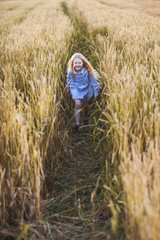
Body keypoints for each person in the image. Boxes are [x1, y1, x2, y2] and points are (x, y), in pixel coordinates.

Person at [66, 52, 99, 131]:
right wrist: (68, 89)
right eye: (76, 63)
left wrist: (96, 92)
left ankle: (85, 118)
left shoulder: (87, 71)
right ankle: (77, 124)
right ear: (73, 64)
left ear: (83, 63)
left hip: (86, 88)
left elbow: (93, 82)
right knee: (77, 104)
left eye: (79, 63)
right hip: (75, 88)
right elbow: (68, 80)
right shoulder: (71, 71)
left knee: (86, 105)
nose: (77, 65)